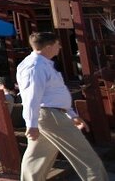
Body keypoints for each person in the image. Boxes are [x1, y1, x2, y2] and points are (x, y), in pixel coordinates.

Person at [17, 32, 107, 181]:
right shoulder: (35, 66)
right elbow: (31, 97)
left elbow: (52, 94)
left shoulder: (39, 64)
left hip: (48, 115)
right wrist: (31, 124)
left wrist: (72, 114)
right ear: (49, 46)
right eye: (57, 44)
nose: (60, 47)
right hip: (50, 115)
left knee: (37, 157)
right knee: (86, 157)